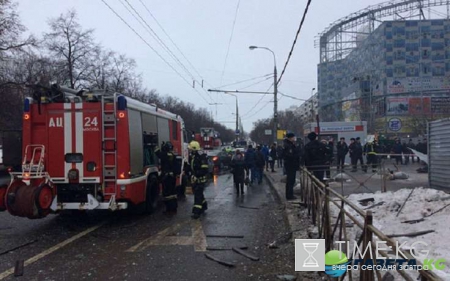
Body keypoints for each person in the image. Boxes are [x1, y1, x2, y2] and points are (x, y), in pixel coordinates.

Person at [155, 142, 178, 215]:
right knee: (173, 193)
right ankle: (174, 208)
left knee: (167, 194)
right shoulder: (173, 155)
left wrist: (157, 146)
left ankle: (169, 209)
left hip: (167, 177)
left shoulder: (164, 154)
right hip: (172, 177)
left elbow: (157, 153)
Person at [187, 141, 209, 219]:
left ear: (194, 149)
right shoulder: (193, 156)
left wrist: (196, 174)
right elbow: (192, 167)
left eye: (190, 149)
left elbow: (204, 170)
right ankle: (204, 206)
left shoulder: (201, 157)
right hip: (195, 179)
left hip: (200, 180)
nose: (189, 150)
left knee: (197, 196)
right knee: (199, 194)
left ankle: (196, 212)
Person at [283, 132, 301, 199]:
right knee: (291, 180)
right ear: (290, 138)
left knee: (290, 180)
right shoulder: (288, 145)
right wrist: (297, 155)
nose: (294, 138)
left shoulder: (289, 144)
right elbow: (290, 156)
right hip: (290, 165)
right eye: (293, 137)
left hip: (291, 165)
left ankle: (289, 195)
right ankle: (289, 195)